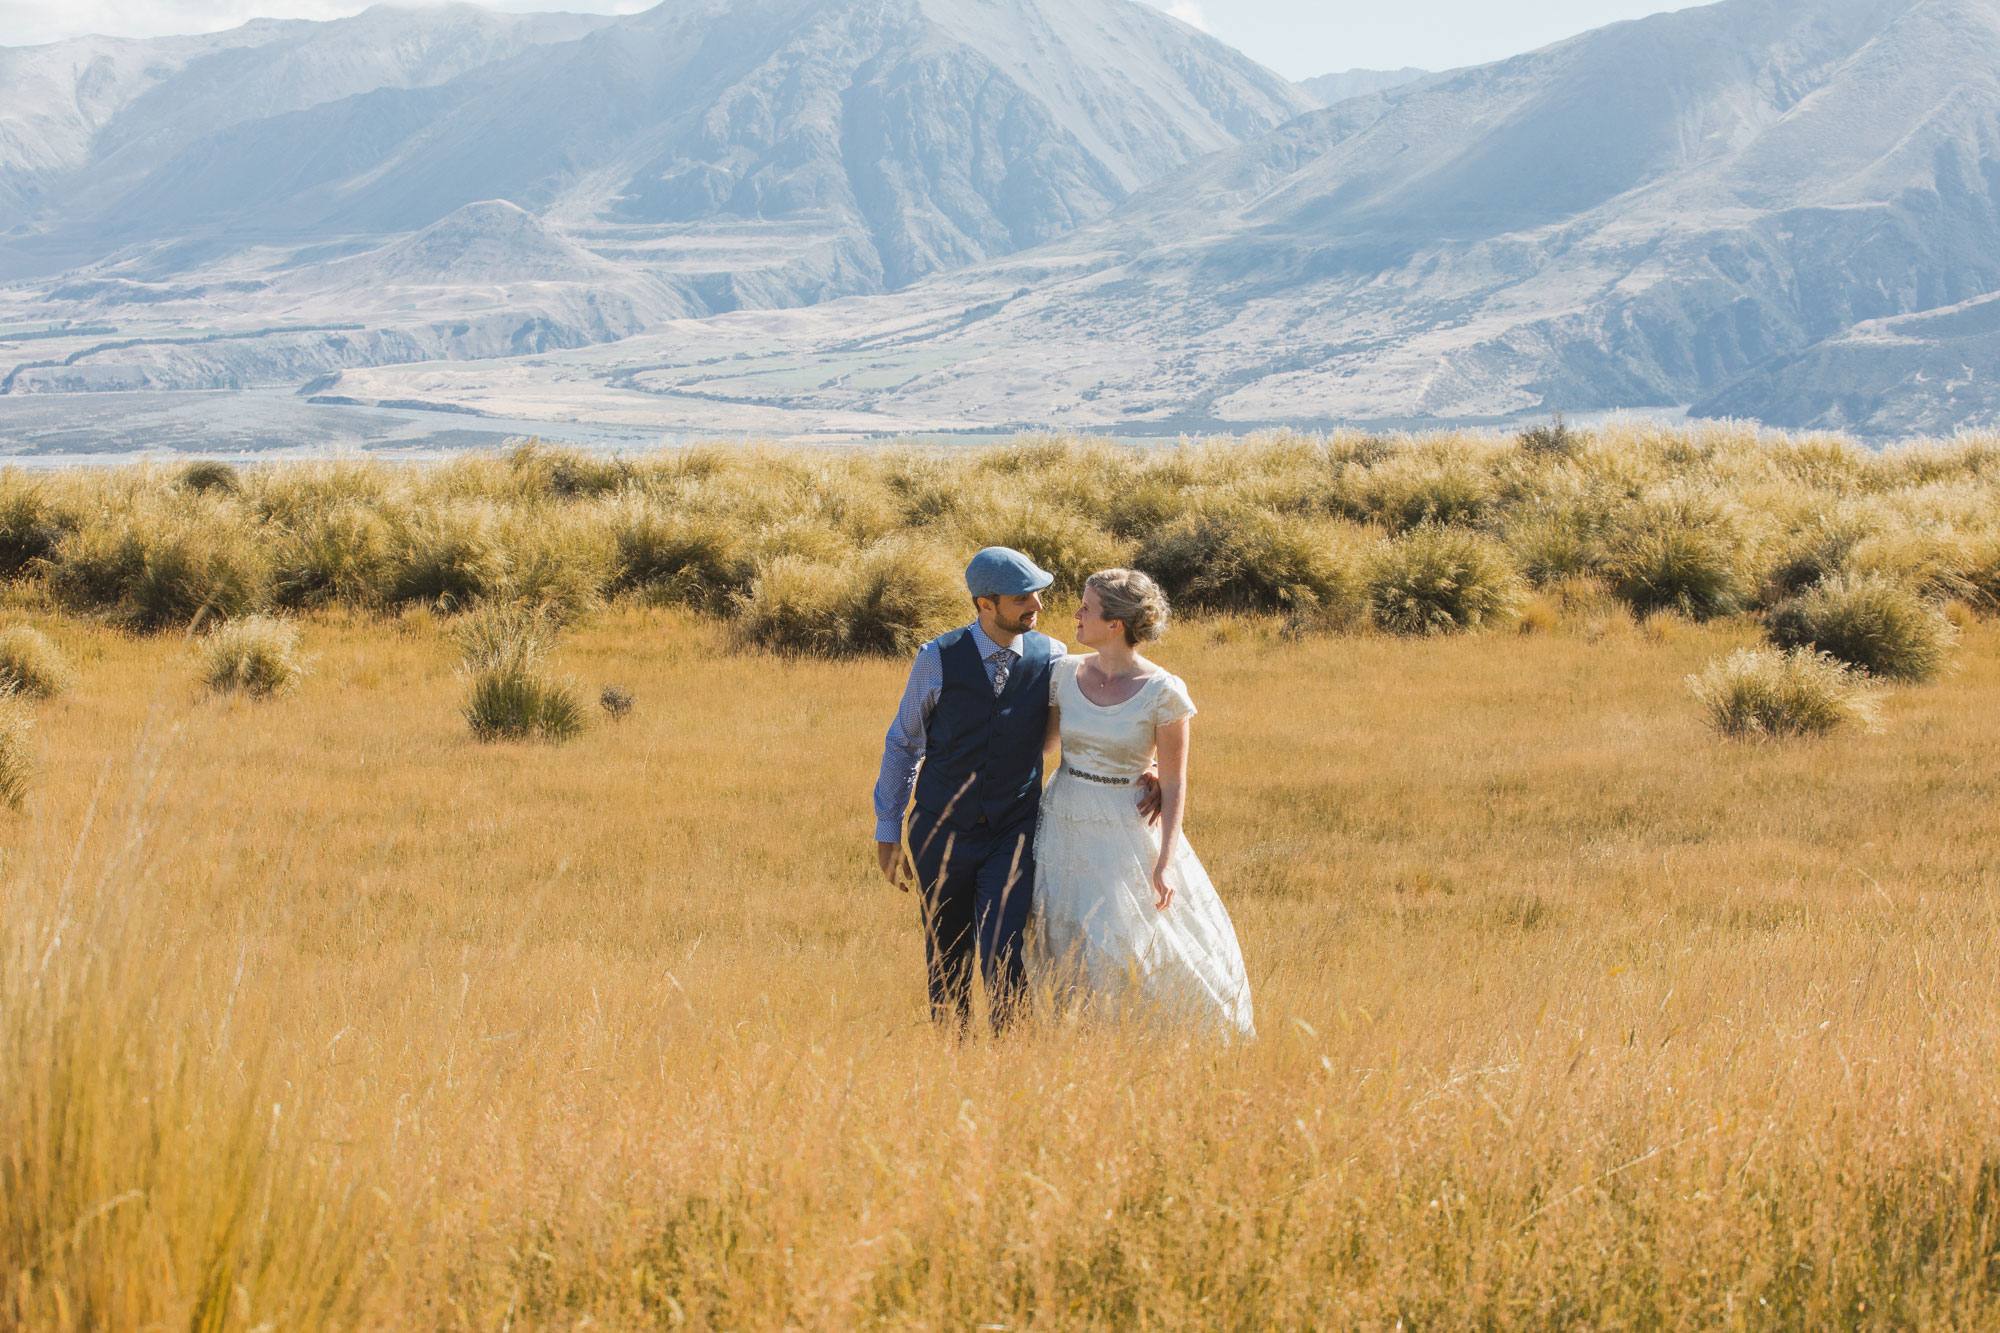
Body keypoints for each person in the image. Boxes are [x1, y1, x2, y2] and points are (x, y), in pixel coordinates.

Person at [874, 547, 1159, 1032]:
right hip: (939, 831)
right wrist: (887, 829)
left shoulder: (1052, 657)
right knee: (947, 956)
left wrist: (1144, 762)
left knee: (1005, 950)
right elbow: (904, 742)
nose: (1037, 606)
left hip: (1014, 830)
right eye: (1022, 598)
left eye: (1037, 594)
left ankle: (1012, 1059)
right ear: (986, 604)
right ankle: (955, 1057)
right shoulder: (936, 658)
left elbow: (1097, 708)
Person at [1029, 568, 1254, 1038]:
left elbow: (1174, 785)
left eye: (1086, 608)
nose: (1076, 613)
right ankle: (1074, 1039)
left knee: (1124, 938)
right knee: (1062, 932)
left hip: (1125, 827)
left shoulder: (1164, 691)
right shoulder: (1064, 672)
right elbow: (1044, 745)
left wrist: (1165, 863)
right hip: (1064, 815)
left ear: (1115, 625)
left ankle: (1152, 1039)